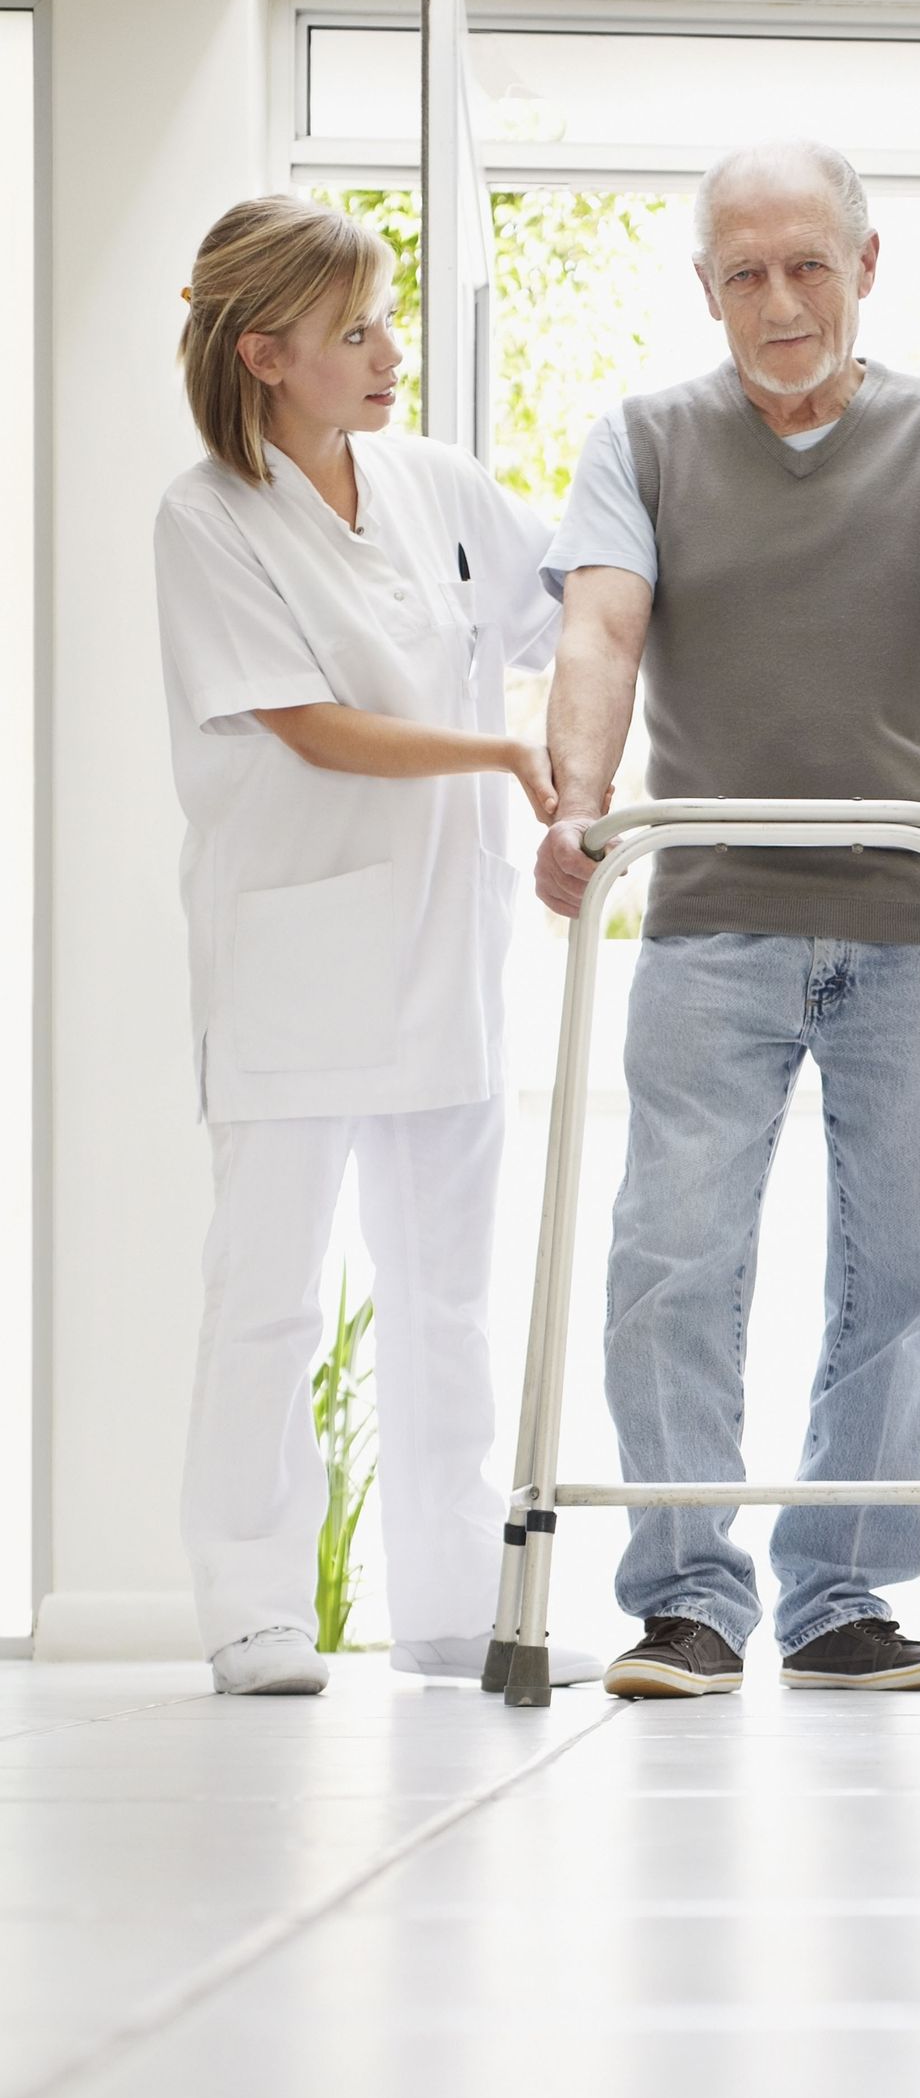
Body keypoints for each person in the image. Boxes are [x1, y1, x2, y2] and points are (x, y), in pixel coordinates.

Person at [537, 138, 920, 1699]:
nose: (781, 301)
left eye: (808, 265)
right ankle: (690, 1595)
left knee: (910, 1261)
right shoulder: (640, 438)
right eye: (746, 273)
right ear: (707, 285)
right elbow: (598, 631)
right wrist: (579, 798)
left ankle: (839, 1597)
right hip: (713, 909)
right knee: (672, 1257)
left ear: (865, 265)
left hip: (910, 909)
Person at [154, 194, 598, 1695]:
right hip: (292, 959)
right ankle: (254, 1603)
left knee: (445, 1295)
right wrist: (495, 754)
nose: (391, 351)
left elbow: (574, 606)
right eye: (356, 333)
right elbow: (313, 726)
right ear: (267, 352)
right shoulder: (207, 516)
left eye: (388, 320)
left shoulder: (438, 483)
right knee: (269, 1290)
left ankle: (455, 1603)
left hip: (444, 951)